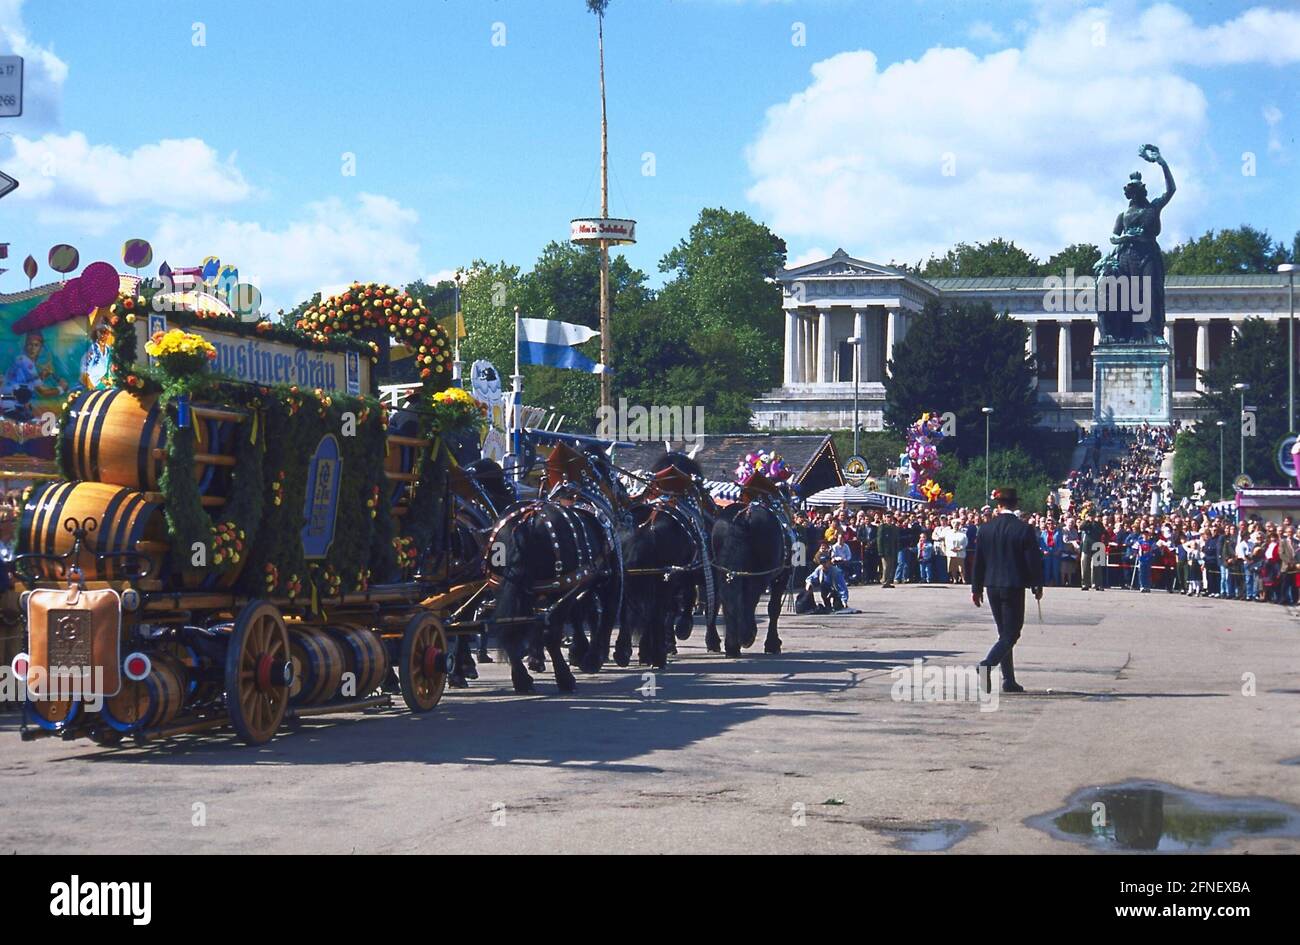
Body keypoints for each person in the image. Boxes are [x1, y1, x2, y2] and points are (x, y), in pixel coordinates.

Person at [971, 487, 1044, 694]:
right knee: (1012, 633)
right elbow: (1033, 561)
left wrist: (976, 588)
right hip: (1013, 585)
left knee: (1004, 633)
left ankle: (1009, 680)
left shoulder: (985, 529)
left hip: (992, 585)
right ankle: (988, 664)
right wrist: (1037, 585)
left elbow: (979, 562)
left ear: (998, 505)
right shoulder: (1023, 529)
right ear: (1015, 504)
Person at [877, 513, 899, 588]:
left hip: (892, 550)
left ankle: (888, 581)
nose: (889, 519)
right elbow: (879, 540)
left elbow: (896, 539)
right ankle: (884, 581)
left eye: (890, 517)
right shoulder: (882, 527)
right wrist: (880, 551)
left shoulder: (894, 527)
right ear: (885, 518)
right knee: (885, 566)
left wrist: (896, 549)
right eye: (887, 517)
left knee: (891, 566)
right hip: (885, 550)